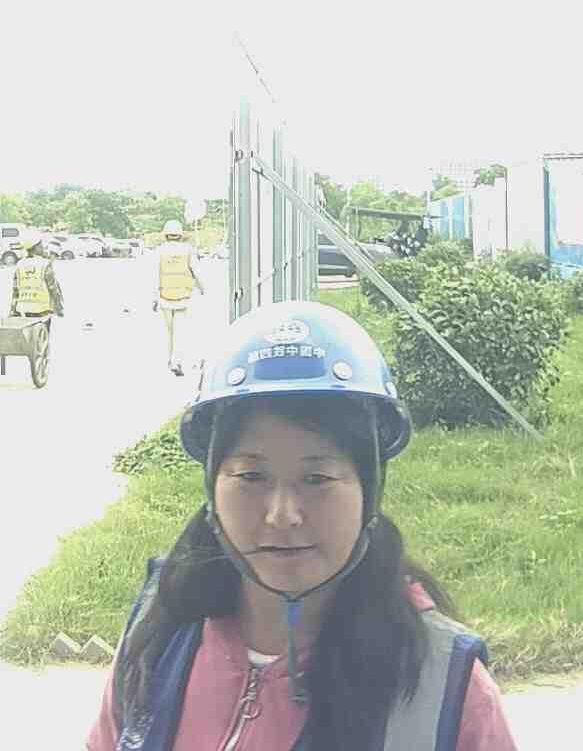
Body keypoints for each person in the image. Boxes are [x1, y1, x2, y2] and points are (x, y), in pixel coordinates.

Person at [87, 301, 517, 751]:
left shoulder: (444, 687)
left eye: (317, 479)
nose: (282, 515)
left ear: (369, 492)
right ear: (213, 487)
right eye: (251, 476)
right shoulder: (160, 627)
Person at [153, 219, 205, 377]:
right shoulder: (188, 250)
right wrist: (202, 288)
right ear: (180, 234)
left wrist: (154, 298)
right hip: (183, 296)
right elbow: (196, 271)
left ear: (166, 234)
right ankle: (176, 361)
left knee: (169, 333)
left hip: (164, 297)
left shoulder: (159, 251)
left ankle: (170, 360)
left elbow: (154, 275)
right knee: (179, 332)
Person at [9, 231, 64, 330]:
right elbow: (53, 288)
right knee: (43, 336)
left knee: (30, 337)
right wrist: (59, 308)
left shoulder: (20, 264)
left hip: (24, 310)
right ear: (36, 248)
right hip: (43, 310)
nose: (43, 248)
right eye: (41, 245)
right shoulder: (44, 264)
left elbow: (15, 290)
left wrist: (12, 311)